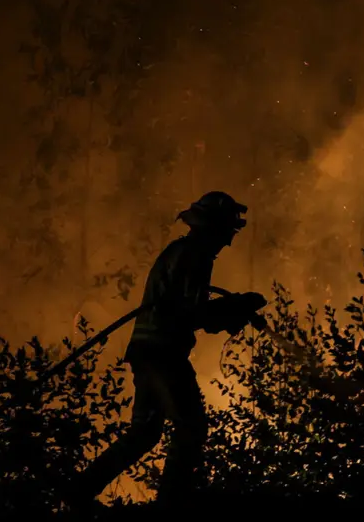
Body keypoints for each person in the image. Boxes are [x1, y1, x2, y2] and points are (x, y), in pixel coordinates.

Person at [67, 191, 265, 508]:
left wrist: (230, 310)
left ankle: (79, 492)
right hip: (162, 352)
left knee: (144, 432)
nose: (229, 241)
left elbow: (191, 310)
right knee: (191, 425)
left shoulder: (184, 252)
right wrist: (235, 306)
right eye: (228, 231)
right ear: (213, 227)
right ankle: (172, 505)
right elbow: (193, 313)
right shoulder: (193, 256)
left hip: (148, 350)